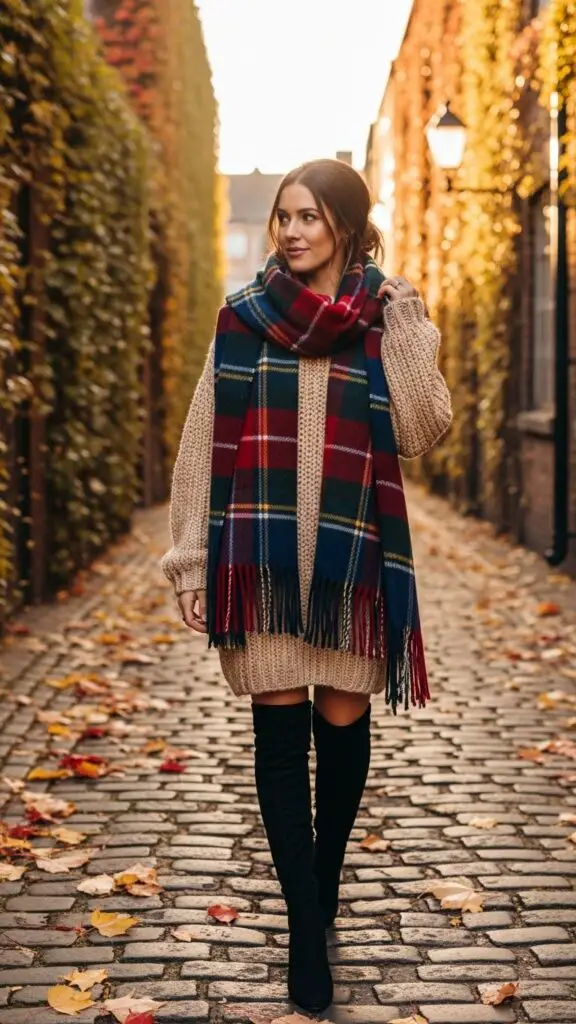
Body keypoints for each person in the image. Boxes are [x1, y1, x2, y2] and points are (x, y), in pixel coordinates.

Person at [161, 158, 452, 1014]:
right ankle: (301, 926)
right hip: (261, 562)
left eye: (309, 217)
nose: (290, 231)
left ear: (346, 228)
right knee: (281, 742)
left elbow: (423, 426)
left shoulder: (382, 320)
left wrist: (407, 319)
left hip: (350, 563)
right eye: (284, 216)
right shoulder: (243, 320)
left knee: (345, 729)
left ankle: (324, 878)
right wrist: (190, 560)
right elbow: (199, 443)